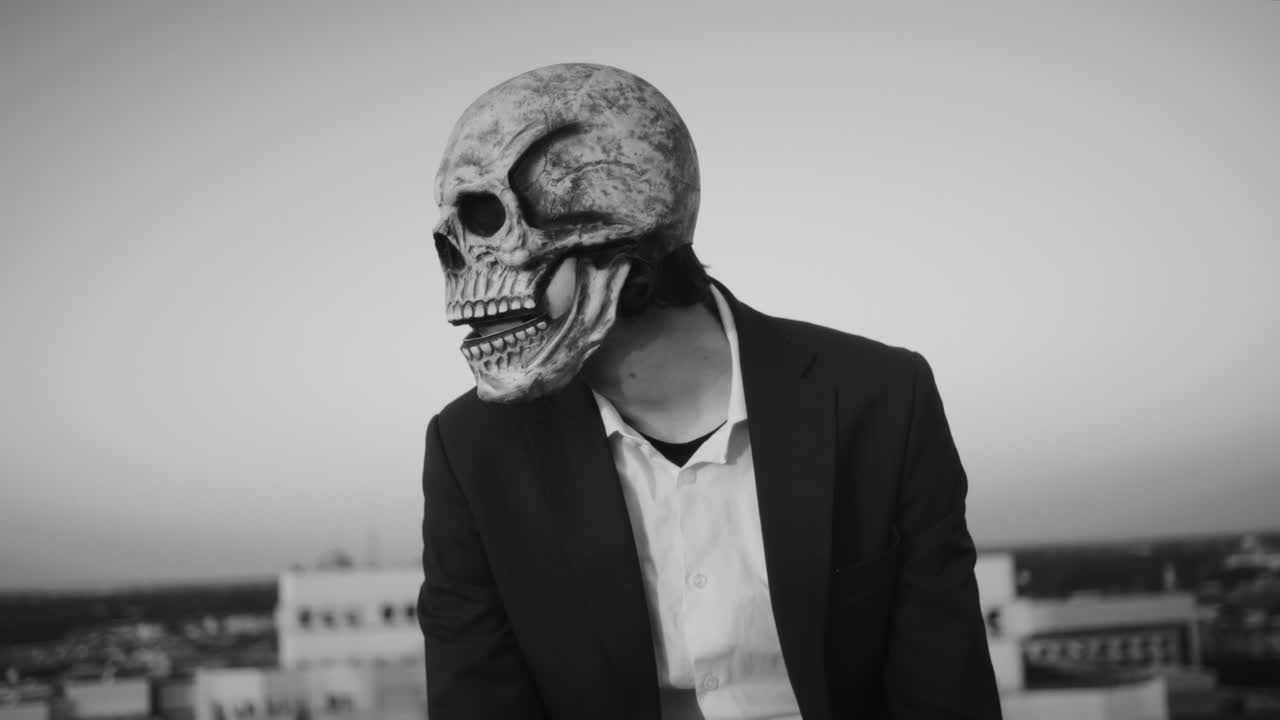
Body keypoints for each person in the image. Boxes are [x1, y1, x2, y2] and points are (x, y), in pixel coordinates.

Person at [419, 63, 1002, 720]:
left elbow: (944, 692)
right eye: (451, 232)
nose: (459, 263)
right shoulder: (472, 452)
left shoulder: (883, 402)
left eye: (489, 220)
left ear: (624, 222)